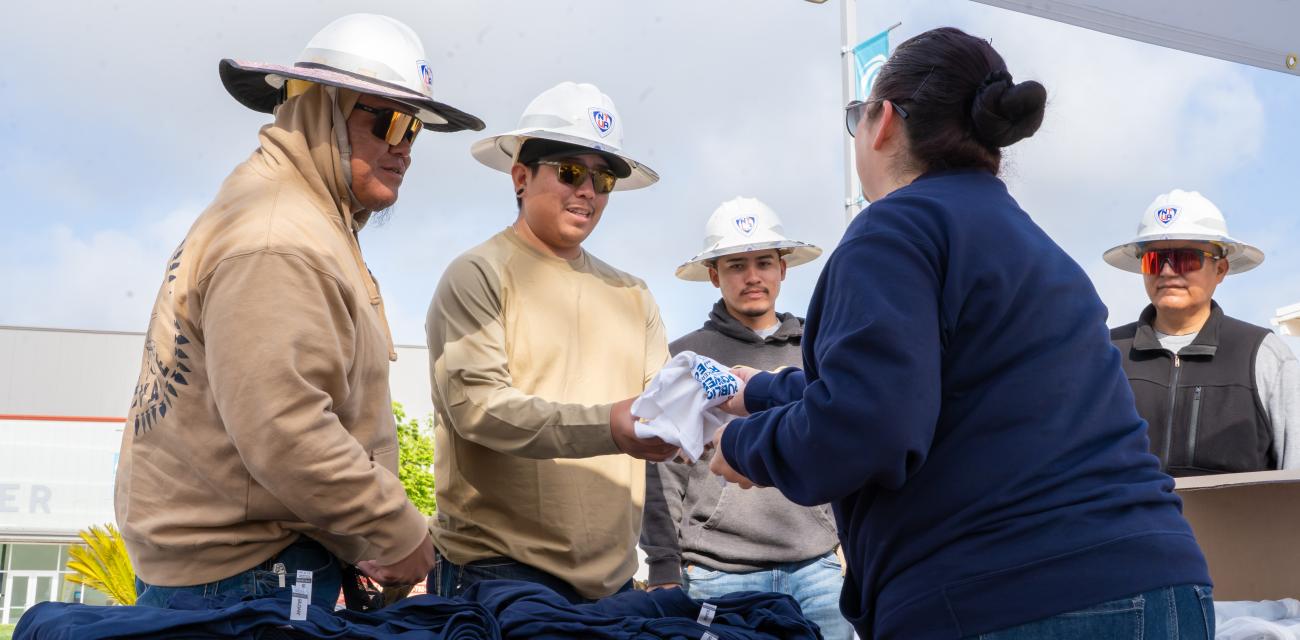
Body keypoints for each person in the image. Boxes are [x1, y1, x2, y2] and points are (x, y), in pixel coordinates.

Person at [708, 27, 1214, 639]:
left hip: (1004, 595)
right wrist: (759, 393)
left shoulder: (891, 230)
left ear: (885, 120)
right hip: (1164, 584)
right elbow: (941, 389)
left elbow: (868, 426)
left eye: (857, 118)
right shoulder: (1036, 247)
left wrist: (743, 446)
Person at [115, 14, 484, 608]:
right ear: (319, 109)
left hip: (240, 574)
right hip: (243, 580)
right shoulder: (278, 239)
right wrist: (399, 528)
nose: (403, 148)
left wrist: (355, 534)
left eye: (413, 129)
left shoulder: (287, 216)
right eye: (388, 120)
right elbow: (284, 428)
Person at [424, 81, 674, 604]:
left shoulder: (634, 294)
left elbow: (665, 409)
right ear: (520, 176)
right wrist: (611, 425)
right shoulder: (477, 274)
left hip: (615, 583)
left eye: (602, 178)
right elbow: (479, 409)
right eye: (569, 172)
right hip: (499, 573)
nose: (587, 190)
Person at [639, 197, 852, 639]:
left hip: (819, 571)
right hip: (719, 575)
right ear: (714, 275)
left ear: (783, 268)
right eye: (736, 265)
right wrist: (663, 566)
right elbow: (662, 471)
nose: (752, 277)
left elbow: (848, 446)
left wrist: (851, 549)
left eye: (763, 262)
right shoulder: (685, 358)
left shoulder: (821, 348)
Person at [1106, 190, 1300, 475]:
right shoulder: (1105, 354)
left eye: (1185, 259)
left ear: (1220, 269)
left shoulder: (1263, 355)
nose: (1168, 271)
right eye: (1154, 261)